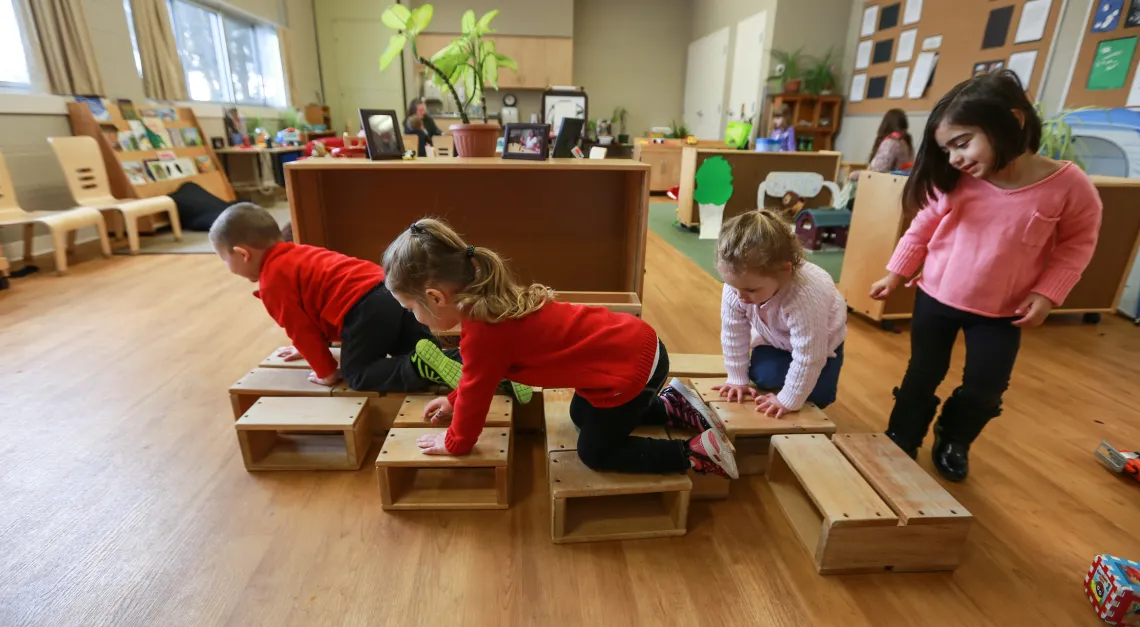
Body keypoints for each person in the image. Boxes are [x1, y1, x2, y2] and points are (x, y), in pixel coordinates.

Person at [870, 71, 1102, 481]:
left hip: (1001, 310)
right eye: (946, 150)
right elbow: (922, 227)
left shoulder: (1069, 186)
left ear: (1013, 120)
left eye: (962, 143)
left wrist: (1047, 293)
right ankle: (902, 434)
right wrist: (895, 273)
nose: (954, 159)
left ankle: (954, 437)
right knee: (922, 373)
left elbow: (1077, 245)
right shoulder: (957, 180)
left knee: (986, 387)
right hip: (936, 296)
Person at [381, 218, 739, 479]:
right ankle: (671, 407)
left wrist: (454, 443)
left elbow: (477, 393)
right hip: (632, 345)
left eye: (410, 309)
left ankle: (695, 453)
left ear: (435, 297)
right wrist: (452, 400)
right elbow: (478, 379)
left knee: (595, 452)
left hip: (631, 369)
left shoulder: (483, 332)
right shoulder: (489, 299)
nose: (413, 317)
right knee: (581, 416)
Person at [208, 203, 479, 394]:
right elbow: (312, 308)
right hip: (389, 290)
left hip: (363, 307)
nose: (227, 267)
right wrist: (305, 348)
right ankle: (461, 361)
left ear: (242, 254)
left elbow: (301, 330)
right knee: (413, 346)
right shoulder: (298, 253)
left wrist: (326, 372)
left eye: (224, 259)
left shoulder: (271, 282)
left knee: (357, 374)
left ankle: (419, 367)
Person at [712, 210, 847, 416]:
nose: (740, 296)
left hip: (822, 341)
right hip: (776, 336)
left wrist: (788, 400)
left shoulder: (804, 295)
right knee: (763, 377)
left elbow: (810, 355)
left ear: (785, 271)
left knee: (818, 396)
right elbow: (733, 332)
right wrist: (736, 379)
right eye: (733, 286)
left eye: (751, 290)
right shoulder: (739, 285)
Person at [850, 108, 914, 181]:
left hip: (885, 185)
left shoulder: (890, 143)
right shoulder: (907, 143)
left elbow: (877, 172)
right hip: (900, 184)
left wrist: (854, 175)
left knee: (852, 177)